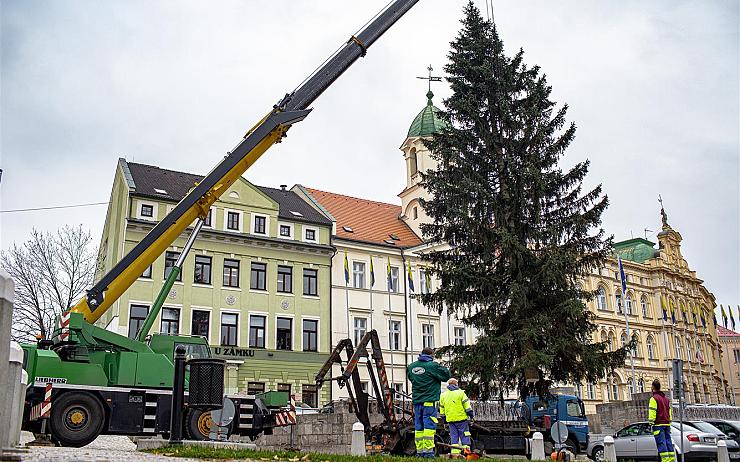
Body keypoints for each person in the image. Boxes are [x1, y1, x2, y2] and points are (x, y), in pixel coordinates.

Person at [407, 347, 451, 458]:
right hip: (429, 402)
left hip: (417, 402)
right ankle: (428, 452)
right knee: (429, 427)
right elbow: (446, 376)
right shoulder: (433, 366)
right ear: (431, 355)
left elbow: (411, 378)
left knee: (419, 428)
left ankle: (420, 452)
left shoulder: (411, 366)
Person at [440, 378, 474, 458]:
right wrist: (471, 416)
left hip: (451, 420)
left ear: (448, 385)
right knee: (465, 435)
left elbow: (442, 412)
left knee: (454, 437)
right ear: (456, 384)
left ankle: (455, 454)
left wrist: (444, 422)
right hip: (461, 420)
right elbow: (468, 407)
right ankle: (466, 453)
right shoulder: (461, 393)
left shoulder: (443, 395)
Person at [648, 379, 675, 462]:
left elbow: (652, 411)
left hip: (658, 425)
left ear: (653, 387)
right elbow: (669, 410)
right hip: (667, 424)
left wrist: (651, 423)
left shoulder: (654, 398)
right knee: (668, 442)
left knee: (661, 443)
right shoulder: (666, 399)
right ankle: (671, 459)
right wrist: (669, 420)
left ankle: (665, 460)